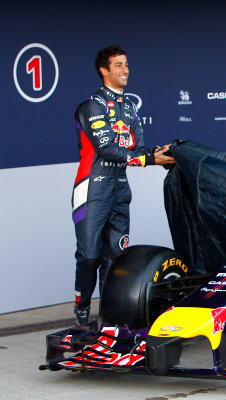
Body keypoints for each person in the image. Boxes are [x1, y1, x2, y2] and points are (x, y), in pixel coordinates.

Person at [71, 45, 174, 325]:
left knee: (115, 259)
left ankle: (108, 318)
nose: (125, 70)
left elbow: (135, 149)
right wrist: (151, 158)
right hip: (91, 191)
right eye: (118, 65)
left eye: (126, 64)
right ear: (104, 70)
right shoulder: (92, 106)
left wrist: (162, 153)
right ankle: (82, 309)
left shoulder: (129, 107)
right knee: (90, 256)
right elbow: (109, 149)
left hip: (119, 191)